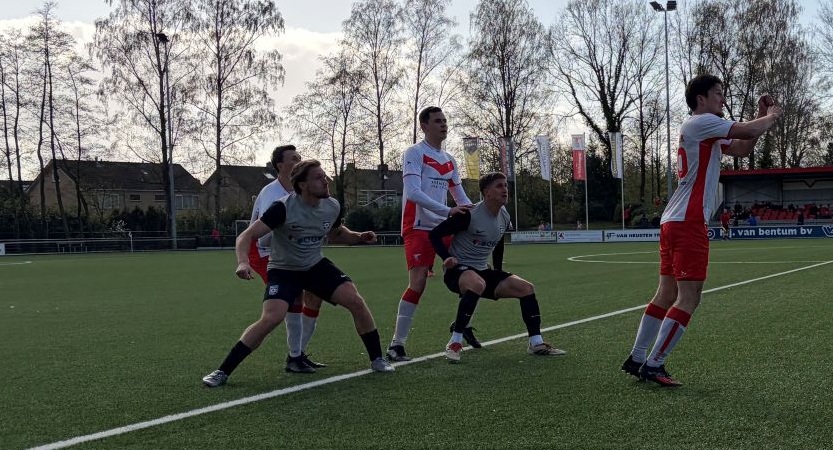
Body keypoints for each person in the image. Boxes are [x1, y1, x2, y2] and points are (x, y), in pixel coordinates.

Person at [622, 75, 782, 387]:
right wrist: (771, 117)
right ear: (701, 100)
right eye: (718, 94)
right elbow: (748, 129)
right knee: (689, 297)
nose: (723, 99)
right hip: (689, 221)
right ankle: (654, 364)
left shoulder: (702, 127)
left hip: (673, 220)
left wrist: (761, 117)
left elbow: (742, 148)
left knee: (667, 293)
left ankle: (638, 356)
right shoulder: (703, 122)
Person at [203, 160, 393, 385]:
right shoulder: (282, 208)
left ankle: (377, 358)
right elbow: (245, 236)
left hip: (314, 266)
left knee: (355, 301)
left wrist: (359, 237)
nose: (325, 181)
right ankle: (222, 371)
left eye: (324, 176)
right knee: (272, 317)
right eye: (318, 177)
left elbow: (336, 234)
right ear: (302, 185)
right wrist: (242, 263)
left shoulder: (332, 205)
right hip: (284, 270)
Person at [427, 172, 564, 362]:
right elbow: (435, 234)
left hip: (482, 272)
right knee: (476, 283)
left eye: (505, 186)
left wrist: (498, 272)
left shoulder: (504, 216)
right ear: (486, 193)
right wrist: (447, 257)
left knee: (527, 288)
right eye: (499, 186)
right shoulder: (469, 214)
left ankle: (536, 343)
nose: (505, 190)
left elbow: (498, 243)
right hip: (457, 271)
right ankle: (455, 342)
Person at [389, 106, 473, 362]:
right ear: (424, 126)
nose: (443, 125)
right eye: (437, 121)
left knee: (474, 274)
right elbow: (414, 193)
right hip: (418, 226)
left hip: (444, 225)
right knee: (418, 283)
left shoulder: (449, 158)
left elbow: (460, 196)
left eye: (445, 121)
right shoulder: (414, 153)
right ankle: (397, 345)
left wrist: (481, 214)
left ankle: (461, 328)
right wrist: (448, 211)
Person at [248, 143, 325, 373]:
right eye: (293, 158)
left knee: (314, 297)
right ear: (280, 166)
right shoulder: (271, 193)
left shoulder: (300, 190)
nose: (298, 161)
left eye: (300, 157)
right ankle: (295, 357)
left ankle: (297, 353)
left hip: (292, 250)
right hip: (265, 253)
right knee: (292, 301)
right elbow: (262, 238)